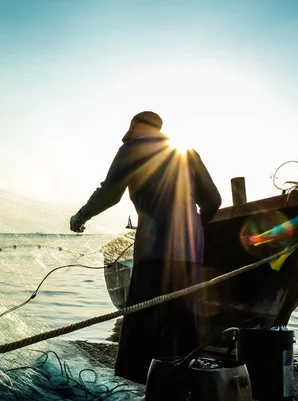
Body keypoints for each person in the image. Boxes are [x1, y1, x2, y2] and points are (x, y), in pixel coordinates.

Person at [69, 111, 221, 384]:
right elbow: (213, 201)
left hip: (154, 251)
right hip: (191, 254)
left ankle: (132, 386)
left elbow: (110, 193)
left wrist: (81, 216)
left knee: (140, 326)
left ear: (136, 128)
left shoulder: (132, 148)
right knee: (185, 328)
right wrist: (196, 229)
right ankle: (186, 387)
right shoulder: (187, 152)